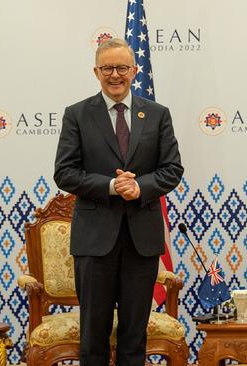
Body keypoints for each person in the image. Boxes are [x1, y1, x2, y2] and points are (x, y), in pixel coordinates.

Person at [54, 38, 183, 366]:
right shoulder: (77, 115)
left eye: (122, 68)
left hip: (142, 241)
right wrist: (112, 185)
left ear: (135, 71)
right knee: (93, 338)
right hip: (94, 242)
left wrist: (140, 187)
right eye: (107, 68)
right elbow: (65, 173)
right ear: (95, 71)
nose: (115, 75)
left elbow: (172, 170)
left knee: (134, 338)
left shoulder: (157, 114)